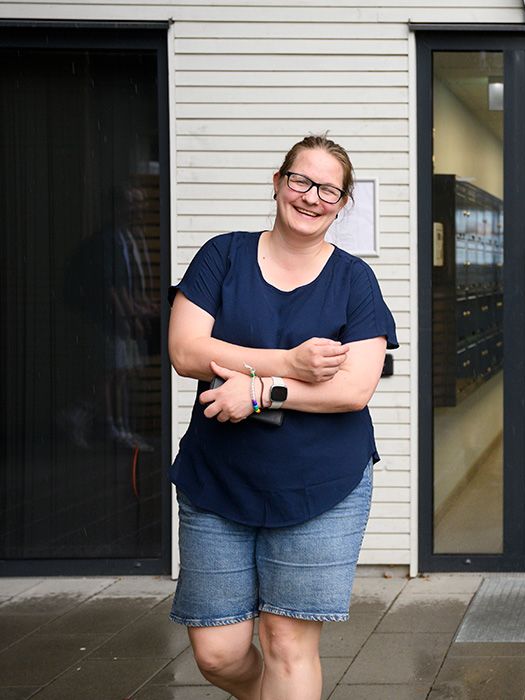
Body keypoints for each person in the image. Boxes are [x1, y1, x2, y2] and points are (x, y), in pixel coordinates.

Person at [167, 134, 397, 699]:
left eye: (328, 189)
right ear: (277, 182)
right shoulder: (222, 255)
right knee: (217, 654)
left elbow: (354, 389)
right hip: (219, 478)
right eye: (301, 180)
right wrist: (288, 363)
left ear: (343, 204)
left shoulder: (354, 280)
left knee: (287, 643)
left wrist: (262, 391)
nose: (311, 196)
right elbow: (185, 352)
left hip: (320, 483)